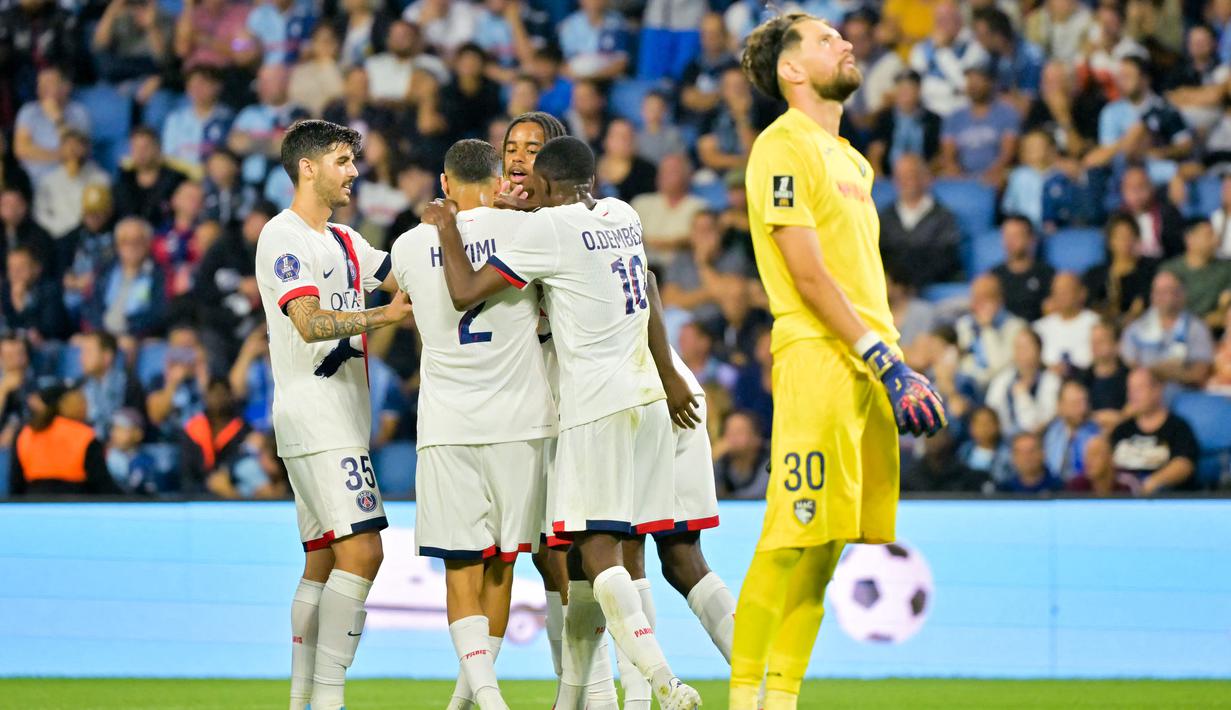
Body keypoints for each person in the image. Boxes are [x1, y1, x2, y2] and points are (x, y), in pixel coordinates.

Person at [420, 135, 702, 710]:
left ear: (546, 184)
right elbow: (646, 285)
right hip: (650, 397)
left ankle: (662, 681)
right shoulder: (622, 213)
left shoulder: (546, 230)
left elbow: (465, 290)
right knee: (616, 552)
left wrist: (448, 227)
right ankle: (595, 698)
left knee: (595, 554)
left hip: (592, 406)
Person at [730, 15, 946, 710]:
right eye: (825, 39)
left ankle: (781, 698)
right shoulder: (782, 145)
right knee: (790, 536)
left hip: (872, 363)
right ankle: (742, 698)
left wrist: (890, 361)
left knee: (827, 547)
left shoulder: (853, 160)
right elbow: (807, 272)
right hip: (821, 358)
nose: (846, 43)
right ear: (791, 70)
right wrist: (882, 357)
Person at [391, 140, 556, 710]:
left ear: (444, 183)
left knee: (461, 566)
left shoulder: (410, 244)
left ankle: (481, 700)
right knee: (503, 565)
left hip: (448, 424)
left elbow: (400, 303)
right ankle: (478, 700)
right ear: (498, 178)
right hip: (521, 422)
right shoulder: (526, 233)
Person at [254, 119, 411, 710]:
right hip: (316, 415)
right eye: (342, 161)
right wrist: (383, 316)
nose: (353, 172)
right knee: (364, 552)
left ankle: (300, 700)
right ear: (307, 167)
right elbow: (310, 322)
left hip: (342, 417)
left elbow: (403, 276)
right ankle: (328, 698)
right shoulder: (282, 236)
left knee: (321, 558)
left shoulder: (346, 240)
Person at [11, 383, 119, 496]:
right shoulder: (84, 435)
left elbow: (16, 484)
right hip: (76, 501)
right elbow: (102, 485)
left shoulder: (25, 434)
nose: (85, 405)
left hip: (33, 501)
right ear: (65, 405)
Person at [877, 152, 962, 289]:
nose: (905, 181)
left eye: (911, 175)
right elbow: (879, 253)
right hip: (890, 289)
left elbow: (945, 258)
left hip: (930, 288)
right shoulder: (884, 217)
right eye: (900, 176)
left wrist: (909, 285)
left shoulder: (944, 217)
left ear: (926, 178)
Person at [1109, 368, 1199, 494]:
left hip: (1162, 499)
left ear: (1157, 390)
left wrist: (1152, 483)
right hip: (1119, 499)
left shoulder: (1178, 427)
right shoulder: (1122, 429)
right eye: (1130, 389)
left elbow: (1184, 464)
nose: (1132, 395)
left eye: (1139, 389)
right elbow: (1103, 461)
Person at [1120, 270, 1215, 387]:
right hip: (1144, 392)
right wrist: (1160, 370)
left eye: (1168, 291)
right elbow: (1129, 367)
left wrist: (1173, 374)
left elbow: (1200, 373)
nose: (1162, 297)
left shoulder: (1197, 328)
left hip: (1183, 392)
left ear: (1182, 294)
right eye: (1158, 292)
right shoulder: (1135, 329)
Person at [938, 61, 1021, 187]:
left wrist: (993, 173)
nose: (973, 85)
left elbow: (1007, 153)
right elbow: (948, 154)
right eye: (970, 80)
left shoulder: (1007, 113)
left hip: (996, 174)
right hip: (962, 175)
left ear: (990, 82)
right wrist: (956, 172)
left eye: (978, 80)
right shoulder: (954, 117)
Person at [630, 154, 707, 265]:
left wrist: (660, 243)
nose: (664, 176)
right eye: (662, 171)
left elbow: (701, 239)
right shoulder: (640, 203)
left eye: (672, 172)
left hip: (681, 268)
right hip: (641, 267)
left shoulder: (699, 207)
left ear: (688, 176)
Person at [1082, 213, 1158, 326]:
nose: (1125, 241)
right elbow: (1089, 306)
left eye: (1129, 236)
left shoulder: (1150, 270)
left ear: (1137, 238)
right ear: (1109, 241)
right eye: (1119, 236)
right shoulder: (1094, 274)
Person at [985, 328, 1062, 437]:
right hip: (1005, 438)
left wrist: (1023, 397)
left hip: (1042, 438)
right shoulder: (1003, 379)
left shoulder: (1052, 380)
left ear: (1039, 350)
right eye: (1018, 347)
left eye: (1026, 347)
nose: (1021, 352)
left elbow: (1040, 422)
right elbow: (991, 409)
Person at [181, 377, 252, 495]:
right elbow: (187, 470)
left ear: (231, 396)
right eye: (214, 394)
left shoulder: (243, 429)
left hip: (232, 488)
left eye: (222, 394)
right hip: (198, 492)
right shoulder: (193, 428)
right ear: (206, 397)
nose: (218, 399)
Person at [955, 273, 1028, 388]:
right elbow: (962, 363)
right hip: (968, 385)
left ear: (999, 300)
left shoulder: (1016, 327)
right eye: (975, 297)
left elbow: (997, 368)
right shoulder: (964, 324)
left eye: (984, 298)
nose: (977, 303)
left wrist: (987, 329)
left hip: (999, 387)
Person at [866, 70, 943, 178]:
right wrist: (879, 178)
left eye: (909, 88)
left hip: (924, 178)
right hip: (889, 178)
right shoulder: (884, 118)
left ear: (918, 90)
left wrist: (927, 176)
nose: (904, 93)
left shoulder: (932, 120)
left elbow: (939, 155)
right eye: (901, 88)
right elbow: (875, 152)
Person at [1159, 219, 1231, 330]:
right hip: (1174, 332)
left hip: (1215, 333)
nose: (1216, 240)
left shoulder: (1226, 269)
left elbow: (1223, 312)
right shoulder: (1170, 270)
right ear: (1189, 239)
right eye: (1209, 235)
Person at [113, 127, 186, 229]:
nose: (140, 152)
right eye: (136, 148)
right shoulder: (123, 179)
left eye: (145, 147)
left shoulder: (176, 180)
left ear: (158, 148)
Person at [78, 331, 146, 440]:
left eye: (88, 352)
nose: (81, 358)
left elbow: (135, 424)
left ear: (107, 356)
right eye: (82, 352)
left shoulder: (129, 385)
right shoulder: (80, 386)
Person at [992, 215, 1055, 322]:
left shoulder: (1047, 275)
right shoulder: (993, 277)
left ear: (1031, 239)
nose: (1010, 241)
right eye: (1006, 235)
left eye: (1016, 236)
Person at [1034, 271, 1100, 370]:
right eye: (1057, 291)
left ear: (1082, 293)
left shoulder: (1096, 324)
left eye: (1066, 290)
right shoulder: (1038, 328)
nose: (1061, 295)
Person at [1041, 379, 1101, 482]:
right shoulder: (1052, 432)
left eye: (1084, 402)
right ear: (1060, 406)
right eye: (1075, 404)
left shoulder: (1096, 433)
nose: (1083, 409)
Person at [712, 409, 770, 499]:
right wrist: (712, 459)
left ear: (757, 438)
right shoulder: (721, 461)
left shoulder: (768, 462)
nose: (732, 438)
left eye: (739, 432)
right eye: (729, 432)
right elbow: (707, 491)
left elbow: (756, 496)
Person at [998, 431, 1063, 493]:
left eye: (1032, 451)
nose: (1026, 457)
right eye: (1021, 453)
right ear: (1013, 457)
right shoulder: (1002, 491)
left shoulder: (1061, 489)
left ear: (1043, 454)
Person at [1065, 435, 1133, 494]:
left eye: (1094, 454)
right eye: (1087, 455)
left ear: (1110, 457)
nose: (1088, 460)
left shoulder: (1125, 485)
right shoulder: (1076, 487)